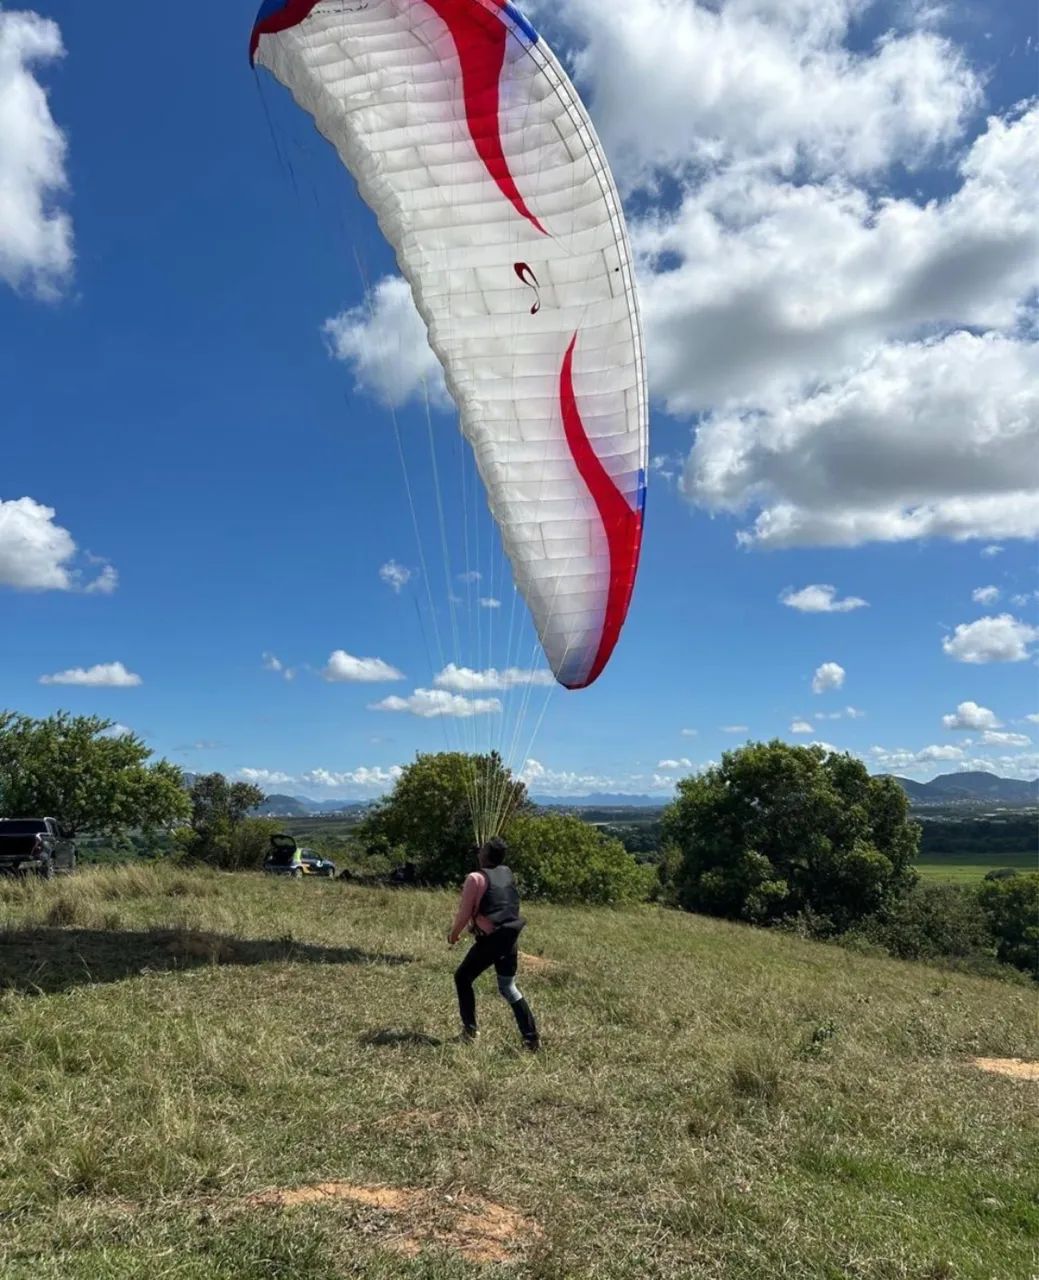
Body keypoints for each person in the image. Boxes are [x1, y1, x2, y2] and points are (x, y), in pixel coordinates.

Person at [448, 836, 539, 1051]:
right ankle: (531, 1037)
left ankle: (470, 1031)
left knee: (462, 978)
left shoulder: (475, 878)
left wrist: (453, 935)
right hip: (509, 937)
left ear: (485, 855)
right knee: (508, 987)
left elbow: (464, 913)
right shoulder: (506, 872)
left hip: (491, 941)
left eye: (483, 849)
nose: (479, 851)